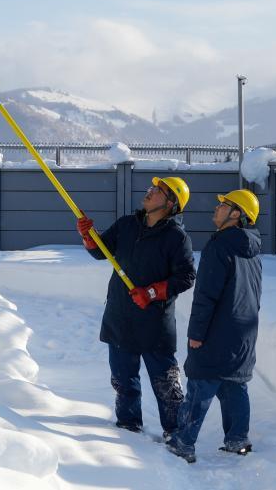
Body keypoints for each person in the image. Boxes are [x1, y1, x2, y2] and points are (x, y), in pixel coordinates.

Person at [76, 176, 195, 439]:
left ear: (171, 203)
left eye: (158, 190)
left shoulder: (176, 238)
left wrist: (152, 292)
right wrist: (88, 236)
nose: (149, 191)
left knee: (166, 385)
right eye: (152, 187)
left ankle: (177, 435)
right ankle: (129, 428)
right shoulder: (127, 224)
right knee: (123, 381)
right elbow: (101, 251)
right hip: (120, 317)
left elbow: (186, 277)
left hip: (154, 323)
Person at [166, 189, 262, 464]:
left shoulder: (220, 246)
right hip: (243, 334)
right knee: (234, 386)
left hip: (216, 333)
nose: (216, 208)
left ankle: (183, 442)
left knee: (200, 385)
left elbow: (206, 295)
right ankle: (238, 440)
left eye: (223, 205)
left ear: (236, 214)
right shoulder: (252, 250)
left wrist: (196, 333)